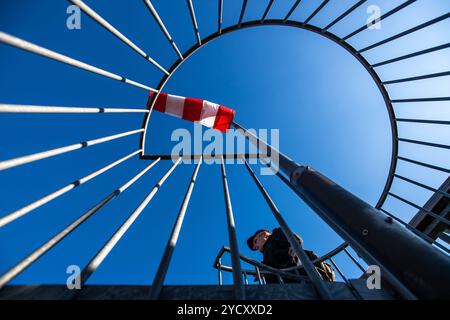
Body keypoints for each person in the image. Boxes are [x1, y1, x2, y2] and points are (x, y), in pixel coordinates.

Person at [247, 228, 335, 284]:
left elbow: (294, 243)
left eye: (255, 241)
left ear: (265, 234)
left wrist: (266, 268)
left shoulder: (276, 234)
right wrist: (263, 270)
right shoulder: (267, 253)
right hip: (286, 287)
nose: (255, 247)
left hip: (304, 282)